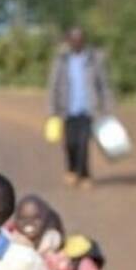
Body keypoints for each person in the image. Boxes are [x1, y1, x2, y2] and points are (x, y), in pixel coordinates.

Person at [47, 27, 116, 189]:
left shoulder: (94, 59)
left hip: (88, 110)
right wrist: (52, 110)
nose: (76, 42)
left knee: (84, 144)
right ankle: (71, 170)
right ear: (68, 41)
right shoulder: (61, 60)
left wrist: (108, 108)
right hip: (67, 110)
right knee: (70, 144)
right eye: (73, 39)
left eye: (79, 39)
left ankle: (85, 175)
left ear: (84, 41)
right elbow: (53, 86)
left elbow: (104, 85)